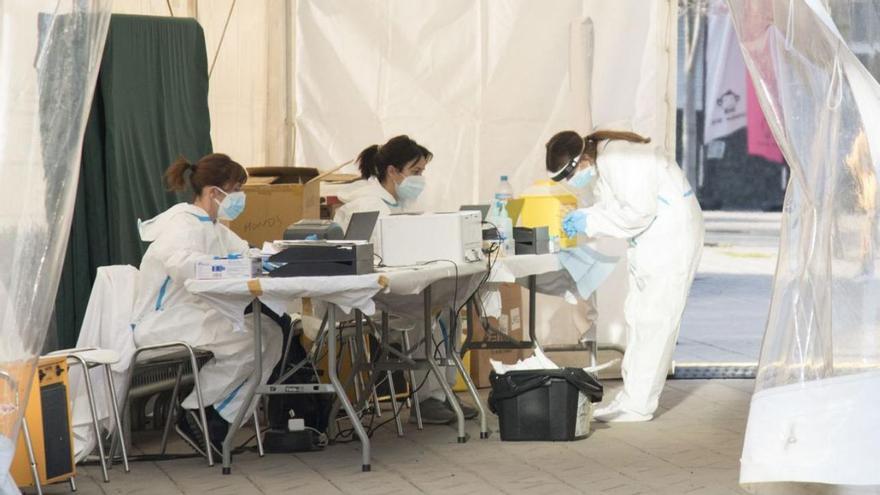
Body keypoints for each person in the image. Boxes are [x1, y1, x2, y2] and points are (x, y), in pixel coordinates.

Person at [546, 129, 704, 422]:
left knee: (656, 321)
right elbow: (618, 205)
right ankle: (632, 396)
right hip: (653, 240)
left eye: (570, 176)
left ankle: (639, 405)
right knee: (637, 316)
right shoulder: (605, 162)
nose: (573, 183)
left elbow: (637, 213)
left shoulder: (621, 159)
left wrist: (589, 219)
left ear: (581, 160)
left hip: (671, 239)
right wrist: (590, 216)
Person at [131, 153, 283, 454]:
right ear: (215, 192)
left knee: (271, 335)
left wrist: (277, 257)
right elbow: (183, 265)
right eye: (237, 189)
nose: (240, 197)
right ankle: (196, 412)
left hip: (194, 317)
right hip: (164, 321)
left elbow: (244, 253)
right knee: (249, 340)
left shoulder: (213, 227)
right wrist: (226, 265)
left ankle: (214, 418)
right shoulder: (181, 224)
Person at [333, 135, 477, 425]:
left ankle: (442, 390)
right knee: (428, 311)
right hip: (364, 296)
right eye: (416, 172)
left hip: (388, 289)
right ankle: (427, 398)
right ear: (392, 171)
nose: (421, 179)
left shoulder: (397, 202)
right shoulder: (368, 205)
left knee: (447, 308)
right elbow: (378, 258)